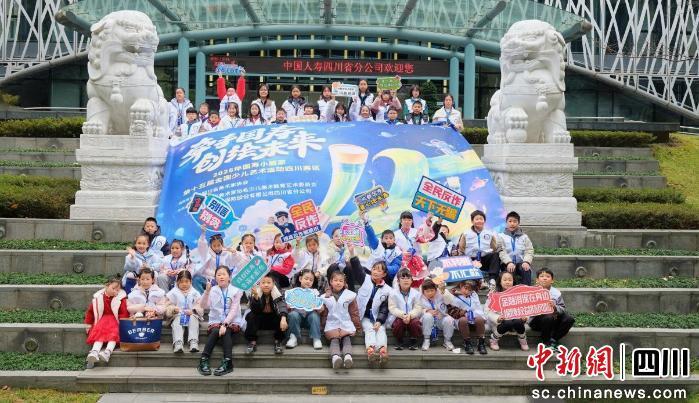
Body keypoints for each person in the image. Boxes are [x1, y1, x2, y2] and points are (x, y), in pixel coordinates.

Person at [348, 245, 391, 364]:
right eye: (374, 269)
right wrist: (352, 252)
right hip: (364, 316)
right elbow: (357, 268)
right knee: (369, 329)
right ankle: (371, 350)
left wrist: (379, 321)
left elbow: (384, 308)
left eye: (379, 270)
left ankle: (382, 350)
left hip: (377, 317)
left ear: (384, 274)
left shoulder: (388, 290)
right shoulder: (365, 279)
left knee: (381, 329)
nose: (375, 272)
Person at [198, 266, 243, 376]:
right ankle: (204, 360)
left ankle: (228, 362)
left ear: (229, 277)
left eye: (224, 274)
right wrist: (206, 291)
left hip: (232, 322)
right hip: (216, 321)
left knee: (226, 331)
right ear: (215, 278)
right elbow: (203, 305)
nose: (221, 277)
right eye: (218, 275)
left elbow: (234, 310)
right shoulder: (212, 290)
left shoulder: (236, 291)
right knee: (215, 331)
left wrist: (225, 324)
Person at [84, 276, 129, 368]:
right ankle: (94, 352)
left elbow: (123, 312)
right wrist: (88, 324)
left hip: (115, 320)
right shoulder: (98, 298)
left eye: (117, 290)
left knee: (114, 334)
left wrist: (122, 324)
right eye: (113, 289)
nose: (115, 292)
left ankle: (107, 352)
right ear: (106, 286)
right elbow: (90, 311)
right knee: (99, 334)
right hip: (102, 320)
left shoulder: (121, 298)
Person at [321, 270, 361, 370]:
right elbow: (324, 313)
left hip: (346, 323)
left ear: (344, 283)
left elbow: (354, 312)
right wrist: (322, 325)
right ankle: (335, 358)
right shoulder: (325, 297)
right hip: (332, 324)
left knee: (346, 339)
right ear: (331, 282)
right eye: (335, 280)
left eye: (341, 281)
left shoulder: (350, 295)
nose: (338, 283)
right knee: (334, 340)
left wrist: (357, 326)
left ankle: (348, 357)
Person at [529, 268, 575, 352]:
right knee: (548, 316)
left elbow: (562, 308)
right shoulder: (531, 292)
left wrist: (555, 307)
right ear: (537, 280)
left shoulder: (556, 293)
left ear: (552, 280)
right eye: (542, 276)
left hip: (553, 319)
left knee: (569, 319)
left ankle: (553, 340)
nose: (545, 278)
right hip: (536, 321)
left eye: (548, 276)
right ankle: (546, 342)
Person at [245, 273, 288, 354]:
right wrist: (256, 297)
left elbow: (281, 305)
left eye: (268, 282)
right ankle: (252, 342)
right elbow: (255, 310)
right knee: (251, 315)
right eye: (263, 282)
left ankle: (278, 341)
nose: (266, 285)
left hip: (273, 320)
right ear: (259, 284)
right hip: (260, 321)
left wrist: (283, 318)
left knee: (282, 316)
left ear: (273, 283)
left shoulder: (278, 293)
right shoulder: (255, 292)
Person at [484, 271, 529, 352]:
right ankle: (494, 340)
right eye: (505, 280)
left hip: (516, 321)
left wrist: (525, 317)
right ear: (500, 282)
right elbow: (487, 312)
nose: (507, 282)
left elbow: (526, 308)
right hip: (501, 323)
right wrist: (497, 318)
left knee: (518, 321)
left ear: (513, 281)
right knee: (507, 322)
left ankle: (523, 340)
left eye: (510, 280)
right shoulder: (493, 295)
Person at [443, 279, 487, 355]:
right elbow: (451, 310)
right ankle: (467, 343)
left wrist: (472, 313)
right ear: (461, 285)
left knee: (480, 319)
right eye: (465, 288)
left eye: (470, 290)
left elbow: (478, 308)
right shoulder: (453, 295)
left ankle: (481, 343)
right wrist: (463, 312)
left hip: (473, 318)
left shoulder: (474, 295)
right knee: (463, 320)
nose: (467, 291)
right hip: (461, 320)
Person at [458, 210, 501, 288]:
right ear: (472, 221)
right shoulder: (466, 233)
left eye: (481, 219)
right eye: (477, 219)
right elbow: (461, 247)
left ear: (484, 221)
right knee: (465, 258)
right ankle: (480, 281)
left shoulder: (489, 233)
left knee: (495, 255)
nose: (479, 221)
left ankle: (492, 279)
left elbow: (494, 247)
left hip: (484, 259)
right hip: (472, 259)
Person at [163, 270, 203, 353]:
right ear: (177, 282)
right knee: (177, 320)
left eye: (186, 281)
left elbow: (199, 305)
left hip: (191, 315)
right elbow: (166, 306)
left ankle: (193, 342)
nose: (184, 284)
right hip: (178, 315)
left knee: (193, 319)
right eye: (181, 282)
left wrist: (193, 311)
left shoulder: (195, 293)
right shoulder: (173, 293)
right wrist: (173, 309)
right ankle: (178, 343)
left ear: (190, 281)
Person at [286, 269, 324, 350]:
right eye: (306, 278)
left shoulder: (315, 293)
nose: (308, 281)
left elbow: (320, 307)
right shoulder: (294, 292)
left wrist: (320, 307)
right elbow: (287, 304)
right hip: (297, 319)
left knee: (314, 316)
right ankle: (293, 337)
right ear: (300, 279)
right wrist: (288, 305)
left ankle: (316, 338)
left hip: (309, 319)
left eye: (311, 280)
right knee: (293, 314)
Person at [388, 268, 422, 350]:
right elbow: (392, 308)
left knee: (415, 323)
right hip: (398, 316)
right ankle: (399, 340)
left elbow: (418, 308)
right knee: (398, 323)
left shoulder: (416, 293)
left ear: (411, 280)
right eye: (402, 278)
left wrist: (410, 315)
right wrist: (402, 315)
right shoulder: (393, 293)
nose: (405, 280)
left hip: (412, 316)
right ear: (398, 281)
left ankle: (414, 339)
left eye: (408, 278)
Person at [497, 211, 534, 286]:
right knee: (509, 271)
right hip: (506, 264)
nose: (512, 224)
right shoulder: (501, 236)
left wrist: (526, 262)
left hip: (521, 263)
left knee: (526, 269)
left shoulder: (524, 237)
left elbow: (529, 250)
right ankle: (511, 291)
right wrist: (508, 262)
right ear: (506, 223)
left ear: (518, 223)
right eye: (510, 221)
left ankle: (526, 289)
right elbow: (501, 251)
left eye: (515, 221)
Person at [193, 226, 233, 293]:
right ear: (210, 245)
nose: (216, 248)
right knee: (196, 279)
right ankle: (203, 296)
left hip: (220, 281)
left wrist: (234, 253)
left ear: (222, 245)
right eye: (214, 246)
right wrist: (203, 233)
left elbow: (232, 266)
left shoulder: (227, 254)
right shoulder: (207, 253)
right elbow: (202, 245)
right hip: (207, 279)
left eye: (218, 245)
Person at [419, 278, 455, 351]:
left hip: (440, 319)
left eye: (432, 290)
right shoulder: (419, 297)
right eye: (427, 291)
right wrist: (426, 311)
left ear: (436, 289)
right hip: (427, 322)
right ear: (423, 291)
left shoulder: (441, 293)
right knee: (427, 316)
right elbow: (417, 310)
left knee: (449, 319)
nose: (430, 293)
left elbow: (450, 301)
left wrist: (444, 292)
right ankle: (426, 340)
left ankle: (447, 341)